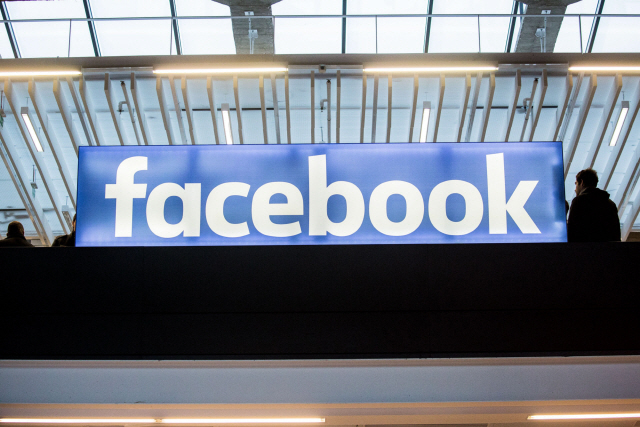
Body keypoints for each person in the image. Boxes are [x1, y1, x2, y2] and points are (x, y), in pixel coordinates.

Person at [567, 168, 621, 242]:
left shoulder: (579, 201)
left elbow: (572, 230)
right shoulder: (610, 204)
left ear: (582, 182)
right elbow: (616, 233)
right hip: (606, 250)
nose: (575, 189)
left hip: (584, 249)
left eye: (576, 183)